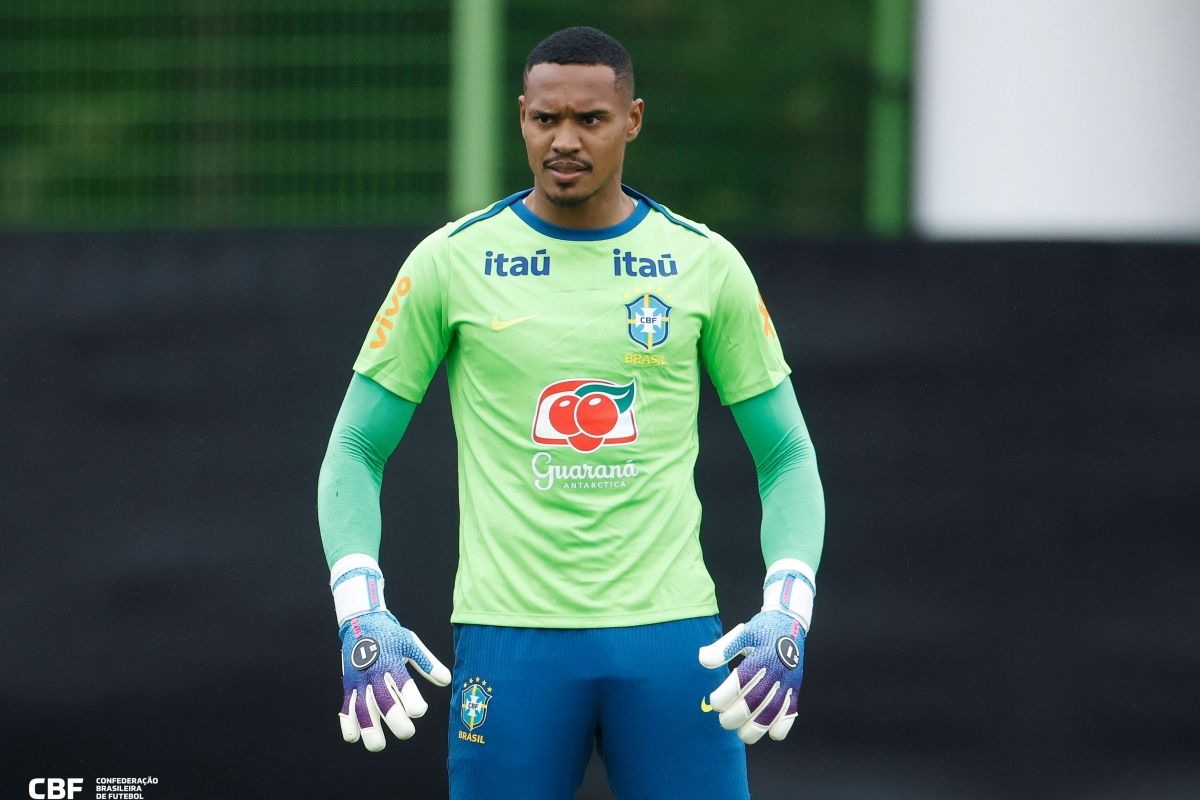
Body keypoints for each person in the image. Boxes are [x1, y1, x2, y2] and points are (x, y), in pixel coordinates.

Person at [317, 26, 825, 800]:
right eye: (544, 119)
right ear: (520, 115)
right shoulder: (451, 262)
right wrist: (360, 609)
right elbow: (355, 443)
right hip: (509, 641)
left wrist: (788, 610)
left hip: (668, 640)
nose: (564, 140)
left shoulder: (703, 264)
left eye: (589, 120)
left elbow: (786, 454)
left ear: (633, 120)